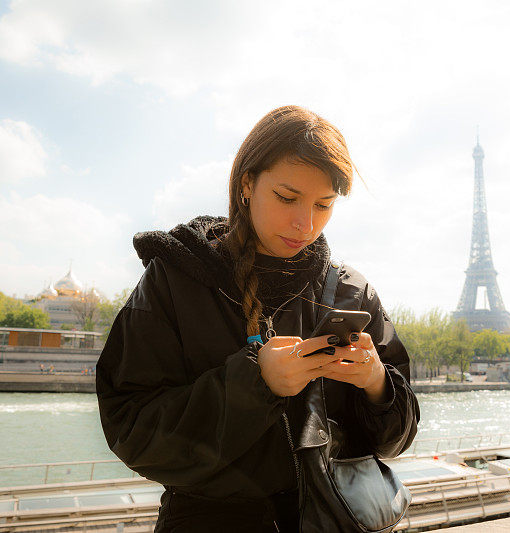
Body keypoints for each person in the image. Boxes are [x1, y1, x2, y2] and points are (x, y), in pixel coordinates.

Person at [96, 105, 420, 532]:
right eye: (287, 198)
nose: (305, 224)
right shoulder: (173, 280)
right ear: (246, 183)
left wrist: (376, 383)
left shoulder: (352, 291)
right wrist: (254, 385)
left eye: (324, 205)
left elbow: (395, 441)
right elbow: (131, 431)